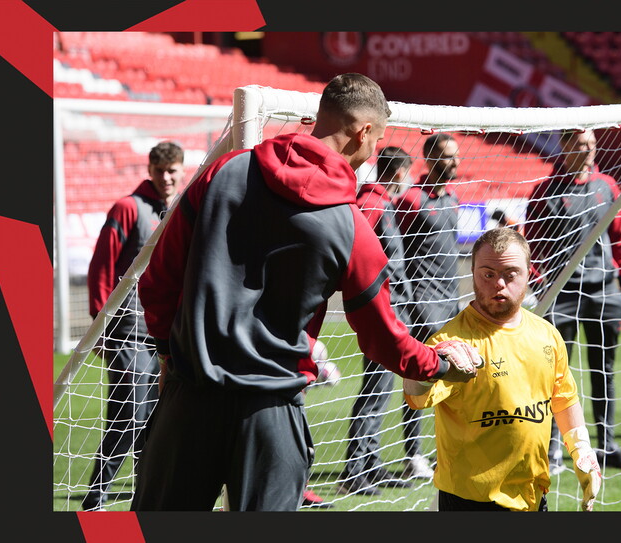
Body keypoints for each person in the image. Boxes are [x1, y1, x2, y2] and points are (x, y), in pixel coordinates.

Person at [129, 73, 482, 512]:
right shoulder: (351, 227)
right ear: (363, 131)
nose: (373, 152)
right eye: (378, 139)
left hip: (190, 399)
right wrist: (440, 364)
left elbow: (158, 277)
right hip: (271, 412)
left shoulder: (226, 170)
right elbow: (380, 338)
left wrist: (167, 353)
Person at [403, 227, 603, 512]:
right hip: (469, 503)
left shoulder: (547, 335)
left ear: (528, 274)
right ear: (472, 273)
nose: (499, 284)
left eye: (510, 274)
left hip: (533, 496)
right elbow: (415, 396)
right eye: (488, 274)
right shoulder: (451, 343)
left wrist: (582, 450)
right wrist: (431, 364)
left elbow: (563, 398)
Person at [524, 128, 621, 472]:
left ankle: (607, 444)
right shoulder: (545, 190)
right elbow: (532, 244)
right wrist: (540, 283)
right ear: (565, 146)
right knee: (557, 375)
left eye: (591, 144)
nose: (588, 150)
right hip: (562, 295)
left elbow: (619, 236)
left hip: (604, 291)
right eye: (581, 144)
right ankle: (555, 449)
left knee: (604, 370)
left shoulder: (607, 185)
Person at [82, 141, 185, 511]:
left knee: (155, 421)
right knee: (128, 415)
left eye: (173, 170)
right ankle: (97, 494)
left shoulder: (177, 211)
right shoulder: (128, 208)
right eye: (161, 171)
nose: (167, 177)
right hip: (126, 330)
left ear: (182, 170)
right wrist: (100, 322)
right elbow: (102, 265)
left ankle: (145, 495)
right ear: (150, 170)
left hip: (163, 336)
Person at [340, 146, 426, 495]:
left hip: (392, 308)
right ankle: (354, 471)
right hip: (382, 310)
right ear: (400, 172)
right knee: (374, 391)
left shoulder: (379, 202)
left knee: (382, 390)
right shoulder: (373, 204)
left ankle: (371, 465)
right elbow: (356, 250)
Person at [392, 132, 463, 478]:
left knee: (454, 380)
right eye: (449, 157)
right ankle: (413, 454)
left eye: (457, 156)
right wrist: (411, 301)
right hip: (423, 303)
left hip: (451, 301)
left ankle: (445, 450)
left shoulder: (452, 197)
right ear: (431, 160)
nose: (456, 163)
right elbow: (397, 252)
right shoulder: (411, 200)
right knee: (420, 379)